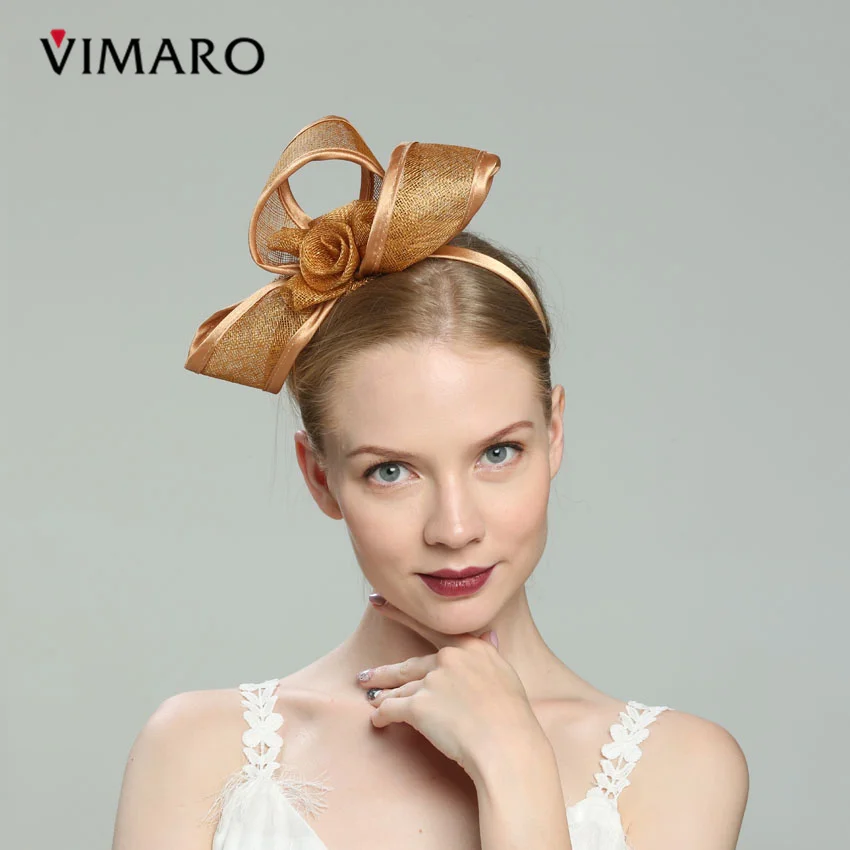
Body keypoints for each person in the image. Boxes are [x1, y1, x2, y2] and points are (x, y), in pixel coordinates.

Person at [111, 116, 749, 850]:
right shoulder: (197, 754)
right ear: (320, 477)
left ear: (554, 435)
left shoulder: (679, 770)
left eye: (498, 454)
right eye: (391, 471)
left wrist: (515, 766)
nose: (454, 528)